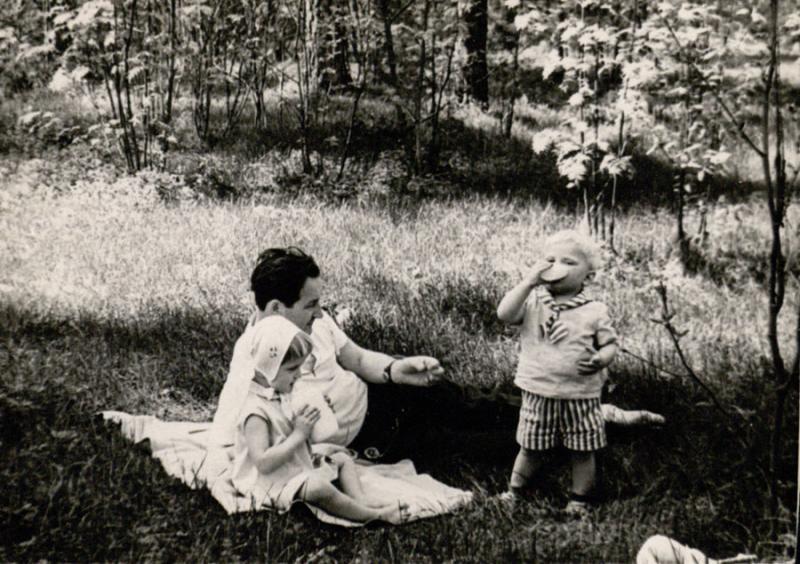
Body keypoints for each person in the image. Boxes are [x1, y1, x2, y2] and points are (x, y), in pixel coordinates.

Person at [237, 246, 445, 449]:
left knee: (462, 401)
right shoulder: (254, 363)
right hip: (370, 437)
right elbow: (249, 438)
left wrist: (394, 369)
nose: (319, 313)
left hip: (376, 393)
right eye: (310, 305)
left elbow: (358, 359)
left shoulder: (314, 322)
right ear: (276, 308)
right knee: (456, 440)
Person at [231, 314, 403, 523]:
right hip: (271, 482)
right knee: (317, 488)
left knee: (340, 458)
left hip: (293, 464)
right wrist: (299, 434)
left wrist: (315, 419)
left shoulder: (282, 393)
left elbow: (287, 432)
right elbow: (263, 463)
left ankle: (360, 500)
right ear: (267, 368)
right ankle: (372, 516)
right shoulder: (255, 411)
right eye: (292, 369)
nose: (299, 375)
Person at [497, 229, 618, 516]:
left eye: (568, 262)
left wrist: (602, 358)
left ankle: (580, 499)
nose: (556, 266)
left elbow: (610, 344)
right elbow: (504, 314)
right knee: (530, 445)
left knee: (583, 447)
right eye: (550, 259)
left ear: (588, 277)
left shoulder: (594, 310)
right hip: (538, 388)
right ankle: (516, 491)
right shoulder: (533, 301)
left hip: (581, 393)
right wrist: (527, 282)